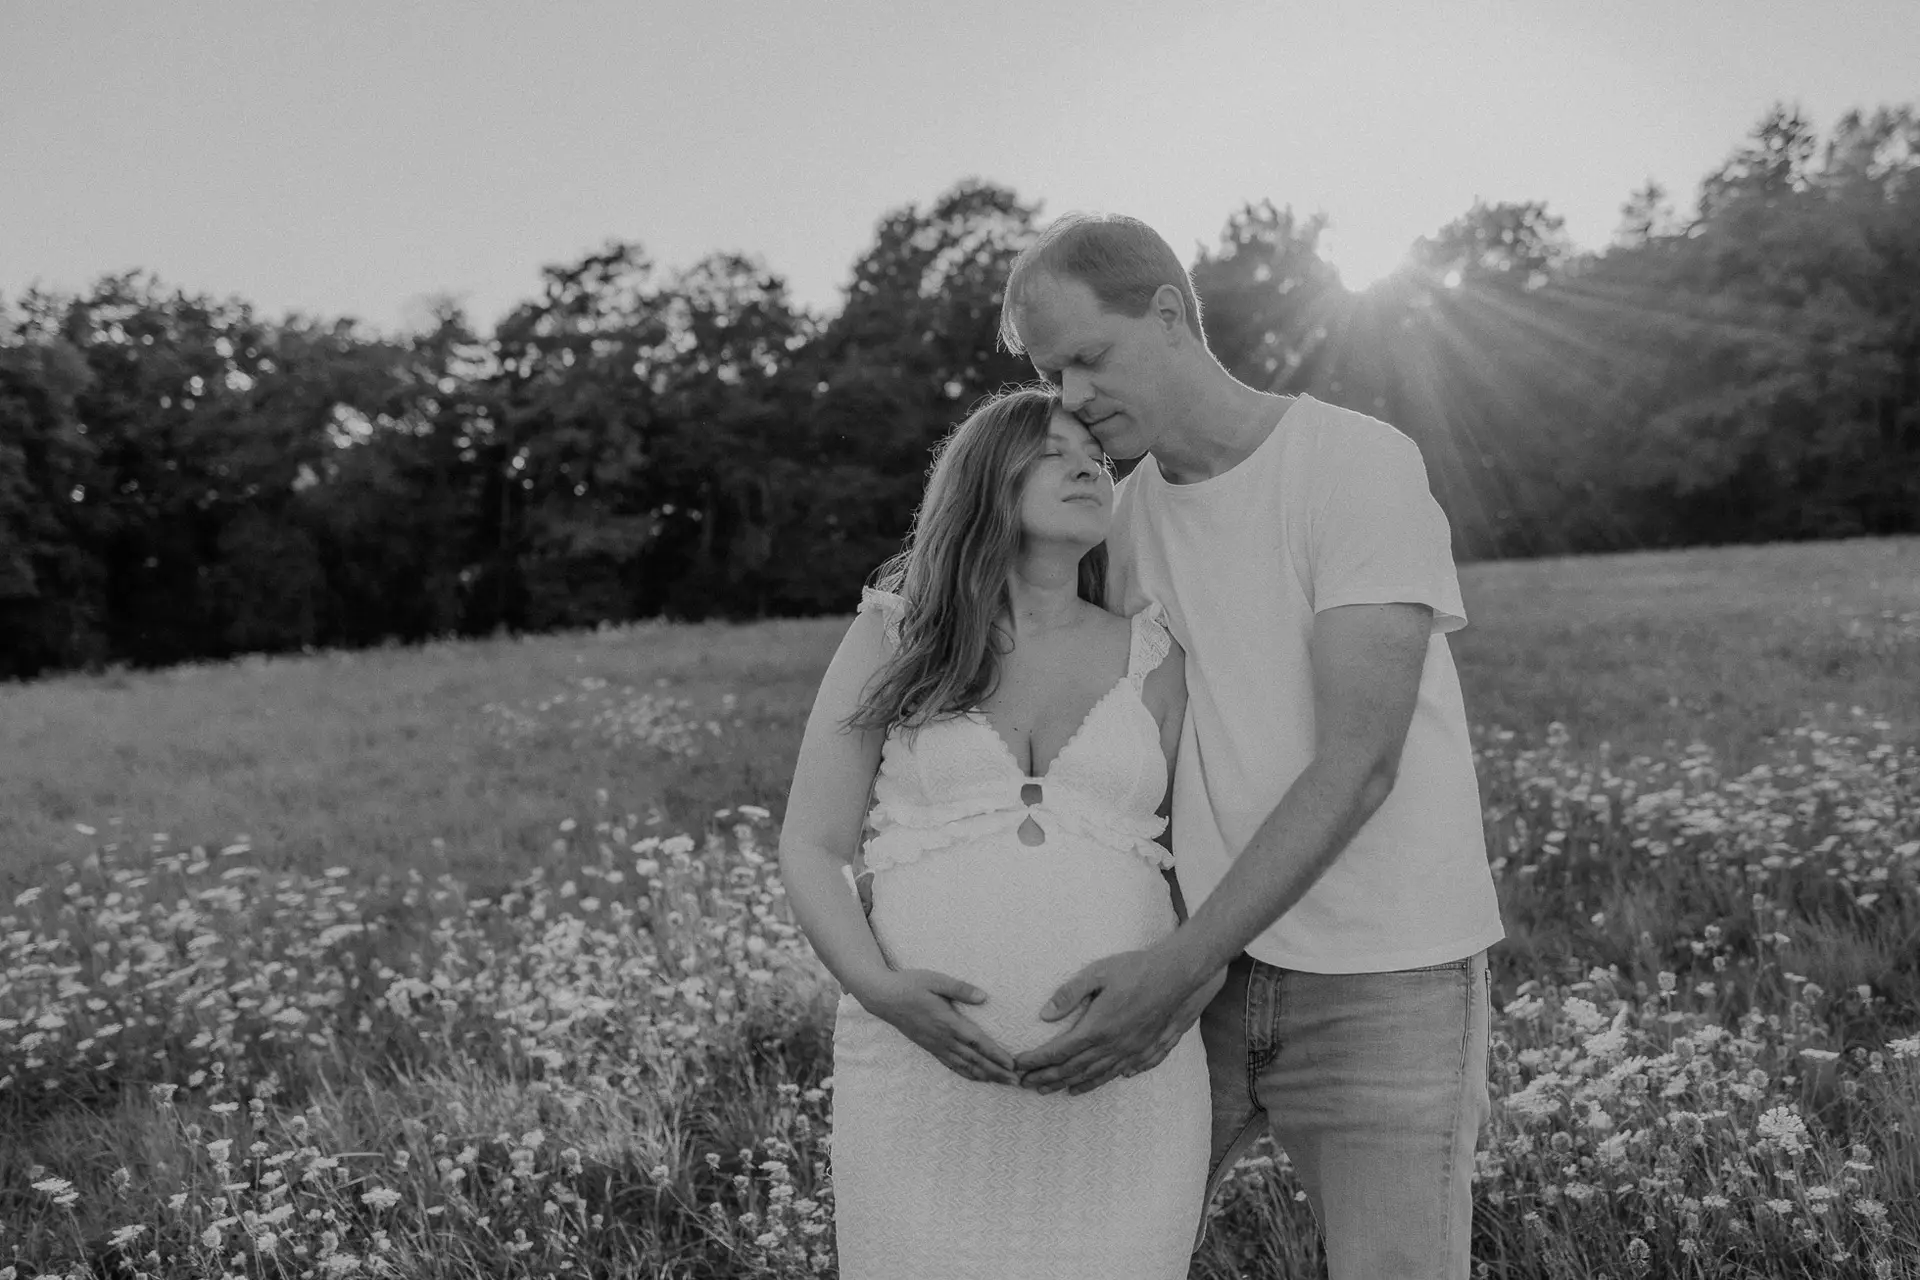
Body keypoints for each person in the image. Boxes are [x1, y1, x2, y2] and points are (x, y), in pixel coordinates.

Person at [999, 213, 1506, 1280]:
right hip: (1199, 975)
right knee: (1084, 1254)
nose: (1074, 399)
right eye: (1053, 374)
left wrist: (1180, 964)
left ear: (1172, 314)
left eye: (1088, 357)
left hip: (1387, 973)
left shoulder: (1354, 463)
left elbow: (1359, 759)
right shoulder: (1118, 521)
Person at [777, 386, 1213, 1280]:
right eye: (1053, 450)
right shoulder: (896, 633)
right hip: (919, 1082)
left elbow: (1204, 875)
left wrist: (1174, 1004)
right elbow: (812, 844)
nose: (1087, 464)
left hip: (1124, 1085)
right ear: (985, 479)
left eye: (1094, 453)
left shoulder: (1156, 654)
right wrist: (877, 990)